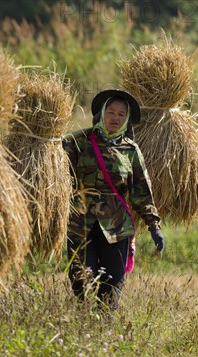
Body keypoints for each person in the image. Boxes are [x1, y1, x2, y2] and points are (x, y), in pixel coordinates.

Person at [62, 89, 165, 310]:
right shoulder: (77, 142)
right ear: (101, 113)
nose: (115, 118)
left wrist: (154, 225)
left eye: (120, 114)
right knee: (81, 281)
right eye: (110, 112)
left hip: (117, 227)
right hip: (81, 223)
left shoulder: (131, 149)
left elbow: (141, 191)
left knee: (111, 287)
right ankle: (83, 329)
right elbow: (56, 175)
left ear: (126, 119)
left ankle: (104, 332)